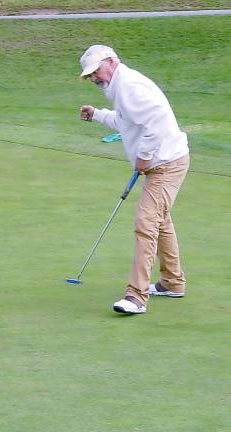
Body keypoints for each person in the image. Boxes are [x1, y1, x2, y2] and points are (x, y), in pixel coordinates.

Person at [79, 45, 189, 314]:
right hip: (163, 163)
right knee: (159, 222)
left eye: (96, 71)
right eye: (89, 75)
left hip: (166, 164)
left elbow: (157, 123)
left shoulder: (129, 85)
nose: (94, 78)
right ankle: (172, 283)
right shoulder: (119, 87)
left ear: (112, 62)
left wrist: (143, 157)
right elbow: (126, 121)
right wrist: (97, 114)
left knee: (145, 224)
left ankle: (136, 296)